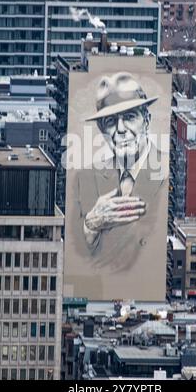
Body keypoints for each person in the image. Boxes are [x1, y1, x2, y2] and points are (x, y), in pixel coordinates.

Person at [67, 72, 168, 274]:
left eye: (130, 117)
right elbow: (75, 252)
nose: (120, 129)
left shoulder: (167, 171)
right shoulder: (84, 178)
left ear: (146, 120)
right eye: (111, 121)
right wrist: (91, 225)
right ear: (102, 129)